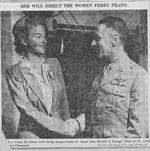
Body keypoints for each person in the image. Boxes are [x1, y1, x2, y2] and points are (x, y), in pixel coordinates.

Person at [6, 15, 81, 138]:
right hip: (32, 133)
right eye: (38, 36)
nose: (44, 40)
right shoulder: (14, 73)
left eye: (45, 36)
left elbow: (64, 102)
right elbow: (28, 110)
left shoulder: (54, 64)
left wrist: (69, 129)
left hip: (61, 131)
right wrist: (60, 127)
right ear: (24, 40)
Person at [86, 16, 148, 138]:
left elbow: (137, 135)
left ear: (114, 40)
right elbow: (92, 118)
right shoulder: (100, 72)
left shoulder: (139, 76)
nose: (92, 43)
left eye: (97, 39)